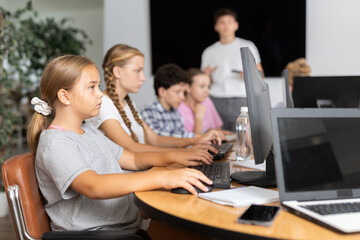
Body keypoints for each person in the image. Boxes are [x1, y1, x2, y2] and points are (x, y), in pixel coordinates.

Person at [26, 55, 213, 233]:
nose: (100, 94)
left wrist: (178, 155)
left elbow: (132, 159)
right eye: (91, 87)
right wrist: (163, 178)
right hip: (102, 233)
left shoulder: (89, 132)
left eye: (99, 86)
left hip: (127, 226)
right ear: (65, 96)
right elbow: (94, 185)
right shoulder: (56, 143)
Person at [86, 44, 220, 157]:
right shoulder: (103, 105)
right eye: (137, 71)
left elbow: (154, 139)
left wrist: (197, 140)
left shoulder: (128, 103)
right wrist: (183, 152)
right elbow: (132, 148)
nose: (143, 78)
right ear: (117, 72)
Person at [201, 8, 264, 131]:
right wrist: (206, 75)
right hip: (216, 100)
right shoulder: (209, 51)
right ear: (216, 27)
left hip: (241, 100)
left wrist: (249, 75)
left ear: (236, 25)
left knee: (243, 139)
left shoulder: (248, 46)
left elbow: (260, 76)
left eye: (229, 22)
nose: (226, 26)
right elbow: (204, 83)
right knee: (218, 140)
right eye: (222, 22)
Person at [140, 64, 223, 139]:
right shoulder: (149, 111)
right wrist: (202, 136)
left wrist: (210, 134)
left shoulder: (174, 112)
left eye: (183, 92)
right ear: (162, 92)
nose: (182, 97)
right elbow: (162, 139)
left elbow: (183, 135)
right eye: (177, 92)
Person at [178, 68, 223, 134]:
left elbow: (218, 129)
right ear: (188, 88)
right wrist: (199, 116)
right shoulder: (179, 109)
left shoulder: (207, 101)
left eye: (208, 87)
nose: (206, 91)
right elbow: (193, 141)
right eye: (202, 86)